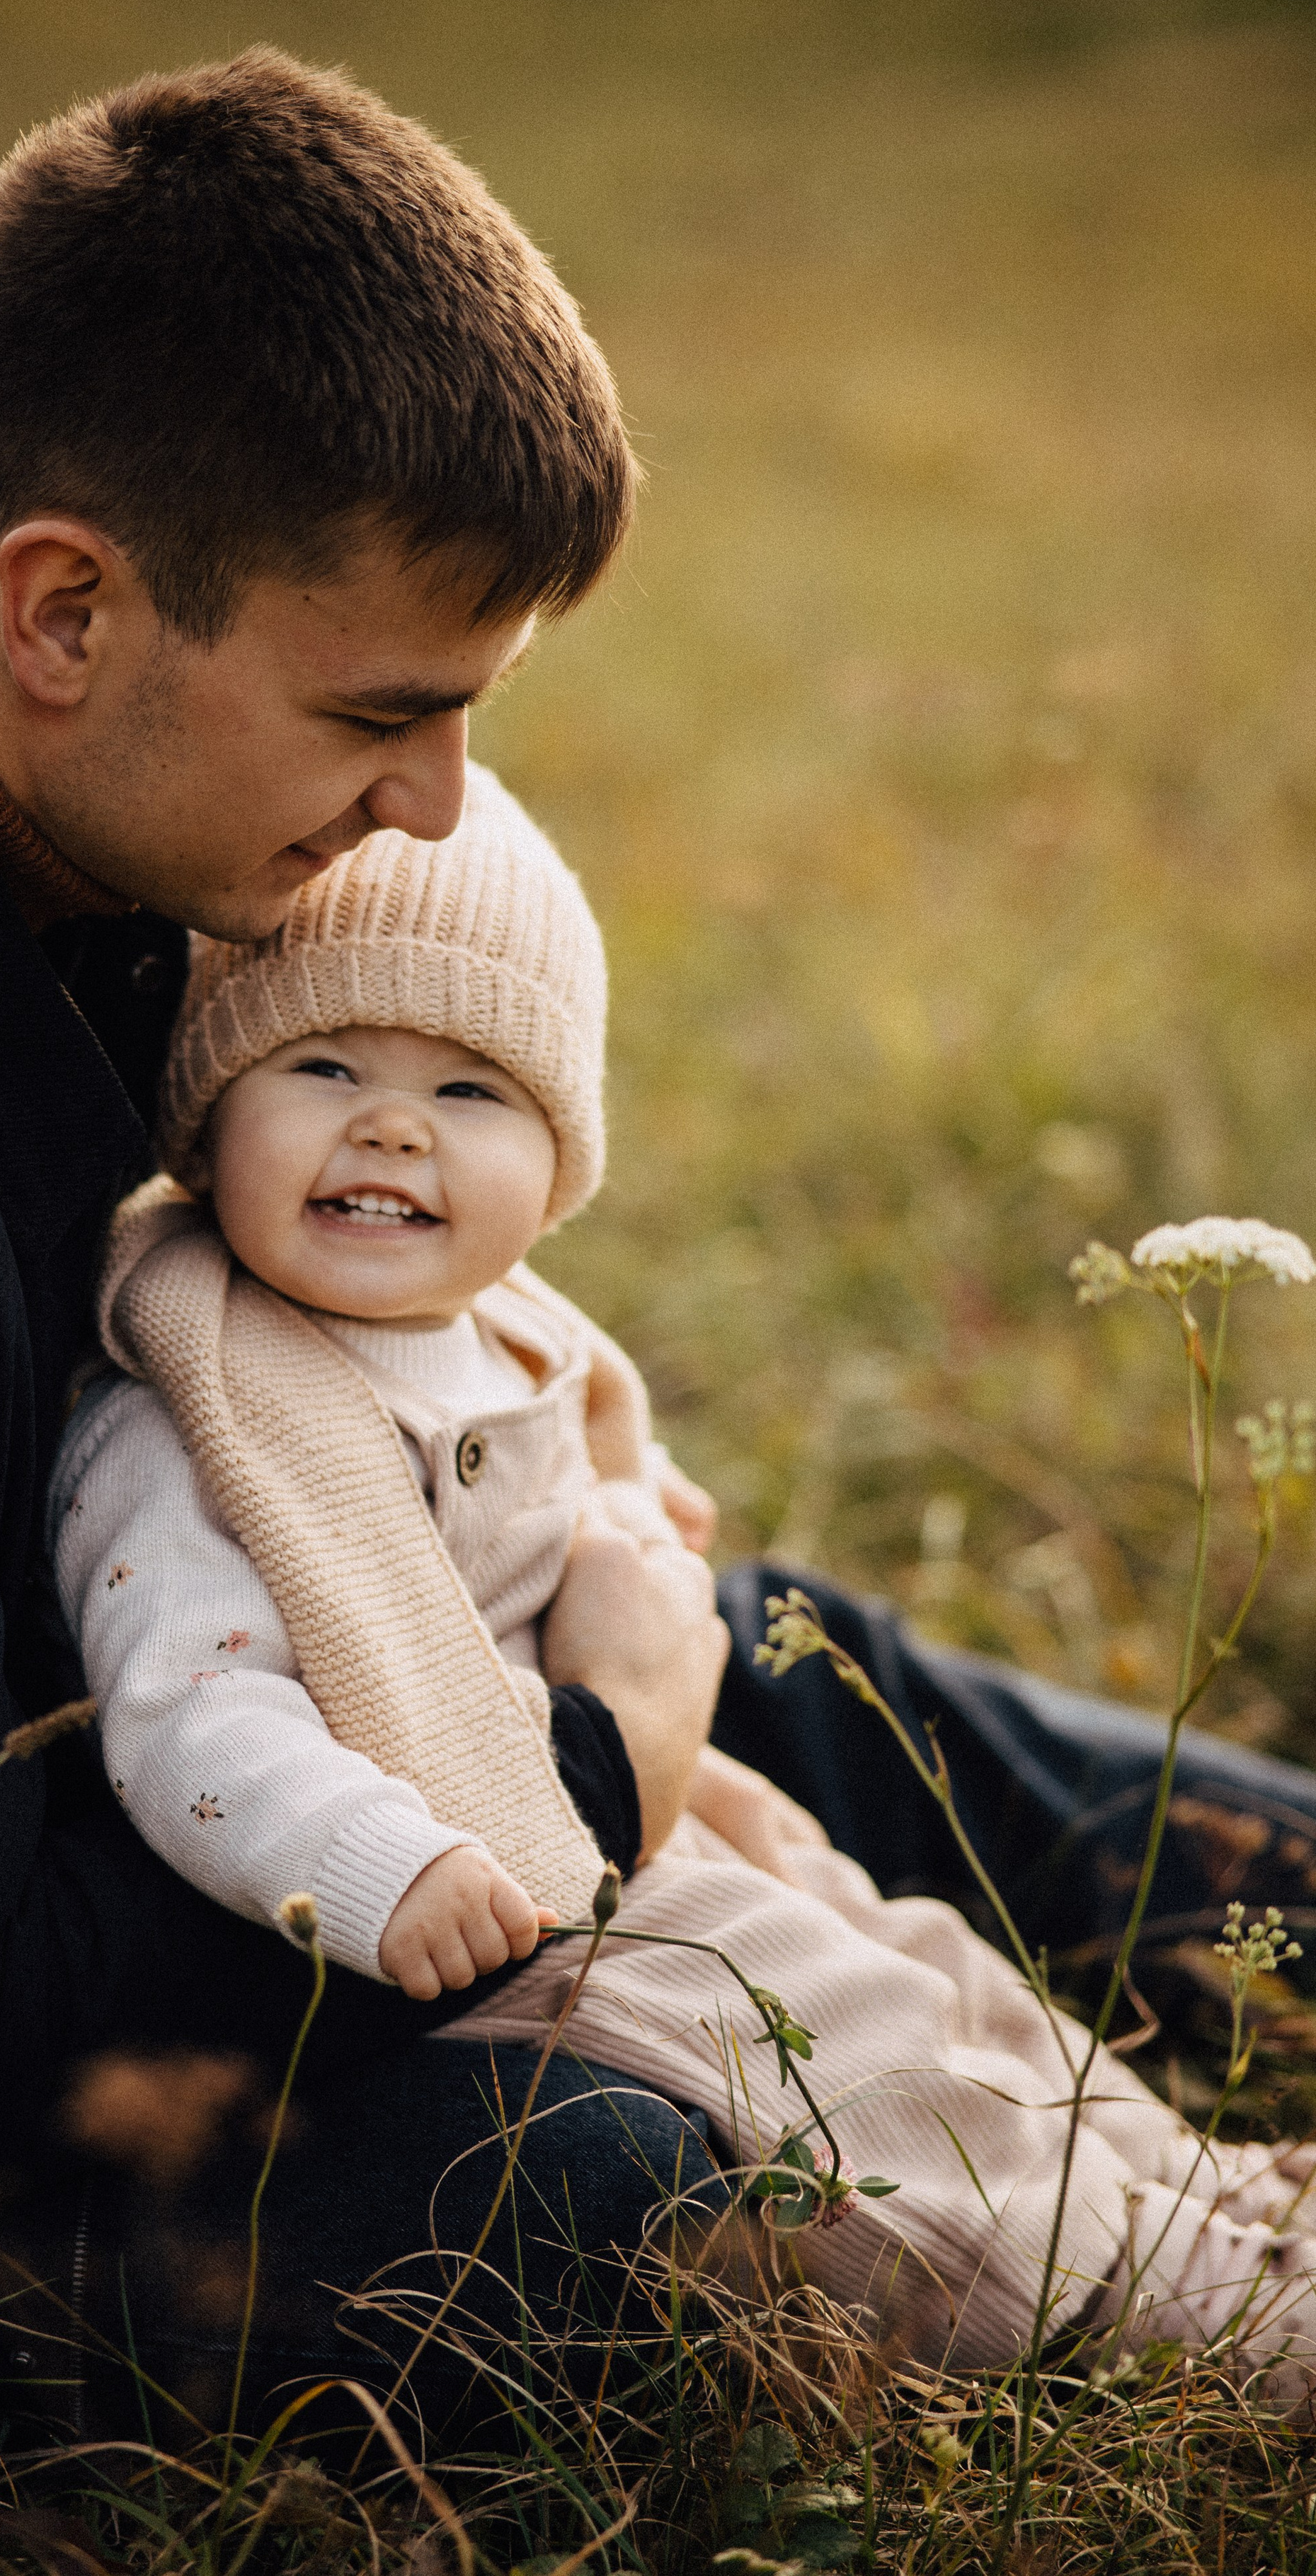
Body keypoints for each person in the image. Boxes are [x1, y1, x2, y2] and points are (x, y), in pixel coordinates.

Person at [0, 42, 1314, 2427]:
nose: (439, 810)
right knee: (586, 2176)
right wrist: (594, 1770)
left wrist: (581, 1637)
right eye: (384, 713)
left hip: (163, 1674)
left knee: (737, 1639)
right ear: (63, 610)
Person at [64, 766, 1316, 2402]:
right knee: (841, 2081)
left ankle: (1206, 2187)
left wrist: (629, 1510)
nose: (391, 1124)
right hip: (475, 1915)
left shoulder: (498, 1322)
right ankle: (1163, 2308)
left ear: (554, 1165)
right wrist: (373, 1866)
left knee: (912, 1958)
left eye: (468, 1089)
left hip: (633, 1824)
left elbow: (574, 1445)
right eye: (321, 1066)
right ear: (203, 1114)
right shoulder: (190, 1414)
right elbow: (187, 1708)